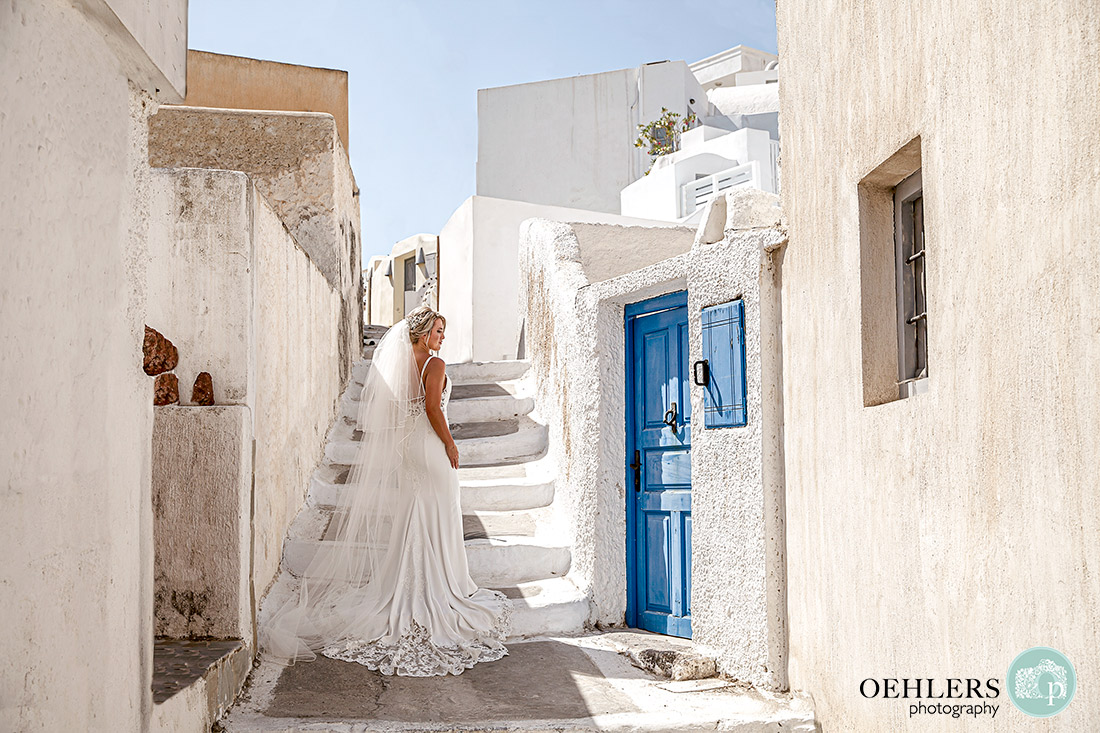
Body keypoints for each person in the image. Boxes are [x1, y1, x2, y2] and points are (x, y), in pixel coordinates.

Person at [261, 305, 512, 676]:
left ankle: (409, 585)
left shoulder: (401, 363)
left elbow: (403, 408)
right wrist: (451, 444)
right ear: (424, 332)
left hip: (410, 449)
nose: (443, 337)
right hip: (430, 446)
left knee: (417, 514)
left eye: (444, 331)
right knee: (440, 510)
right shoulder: (435, 365)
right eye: (439, 331)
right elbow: (432, 408)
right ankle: (444, 586)